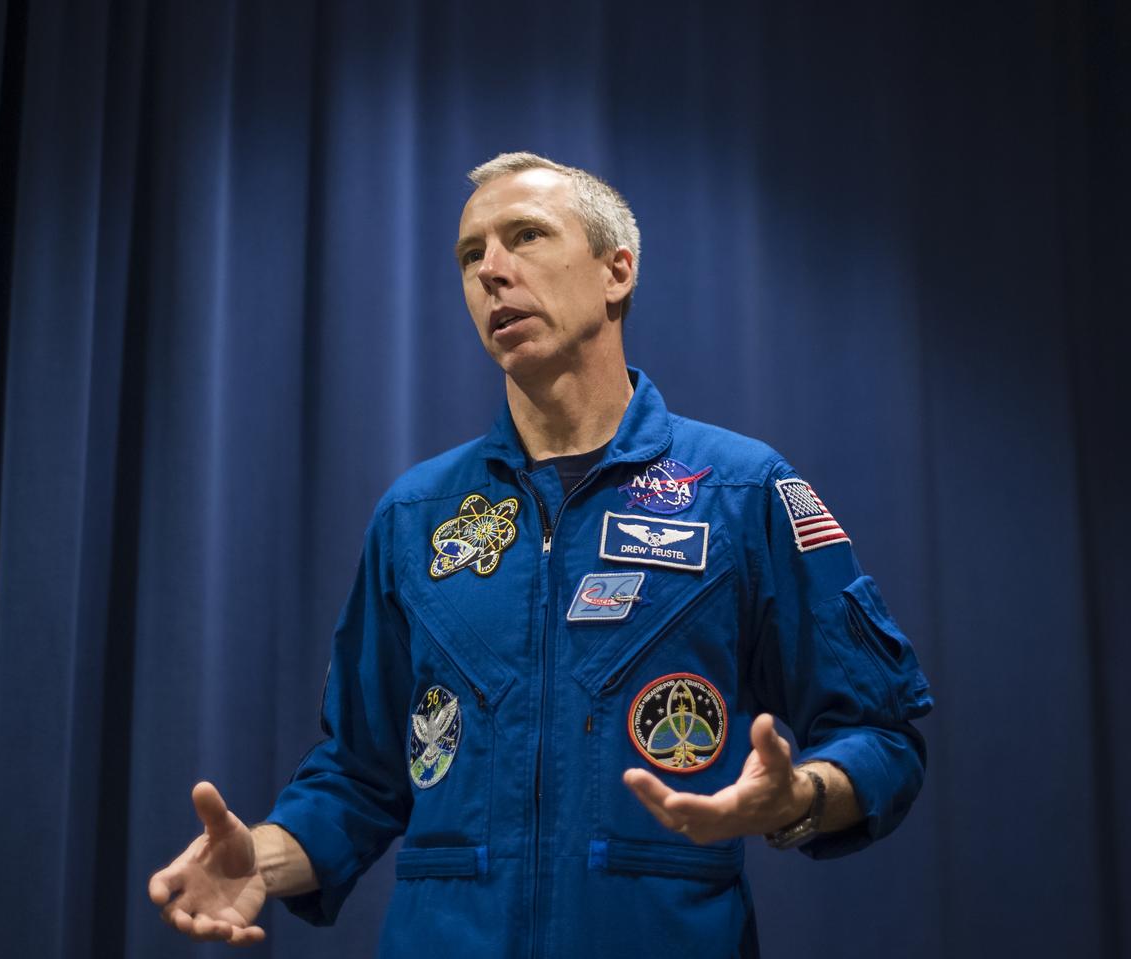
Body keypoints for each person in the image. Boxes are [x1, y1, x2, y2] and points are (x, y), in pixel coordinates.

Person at [148, 152, 933, 957]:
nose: (492, 270)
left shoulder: (740, 490)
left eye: (525, 236)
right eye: (470, 254)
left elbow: (881, 732)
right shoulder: (418, 514)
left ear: (616, 271)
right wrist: (265, 858)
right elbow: (362, 771)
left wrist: (800, 795)